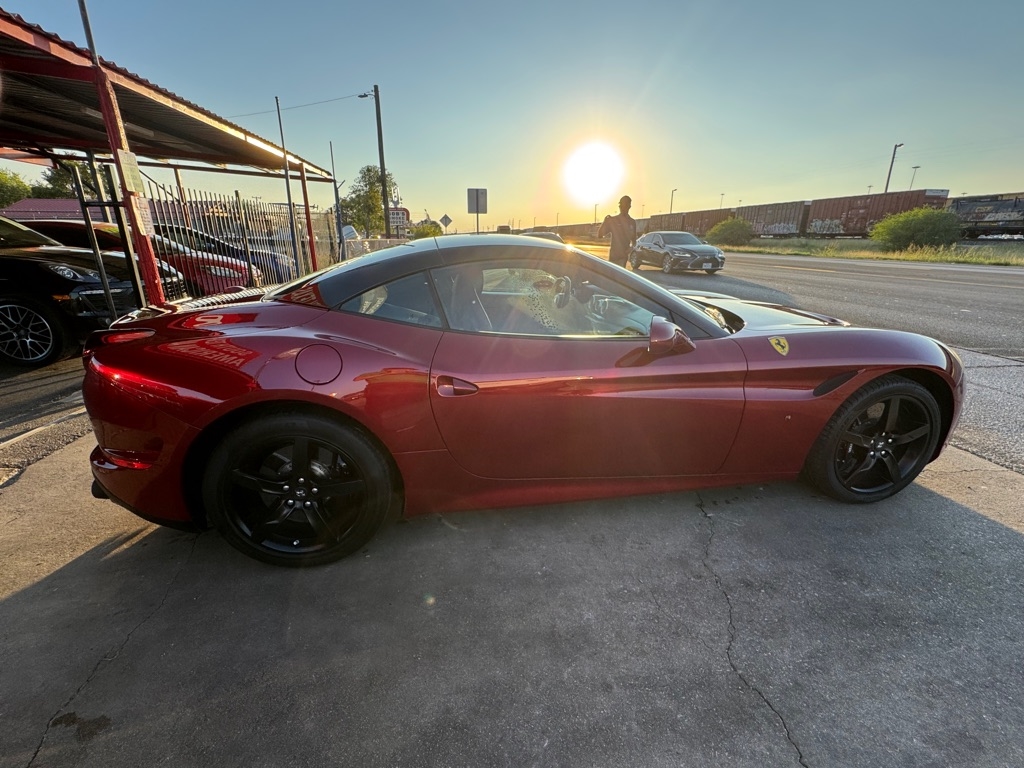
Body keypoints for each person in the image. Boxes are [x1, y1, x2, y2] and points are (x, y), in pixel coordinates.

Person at [598, 195, 637, 268]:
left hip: (623, 258)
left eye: (624, 205)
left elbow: (634, 241)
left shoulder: (632, 222)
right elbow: (600, 235)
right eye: (621, 205)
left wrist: (631, 248)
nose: (622, 207)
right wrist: (605, 222)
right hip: (613, 258)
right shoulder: (613, 220)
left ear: (629, 206)